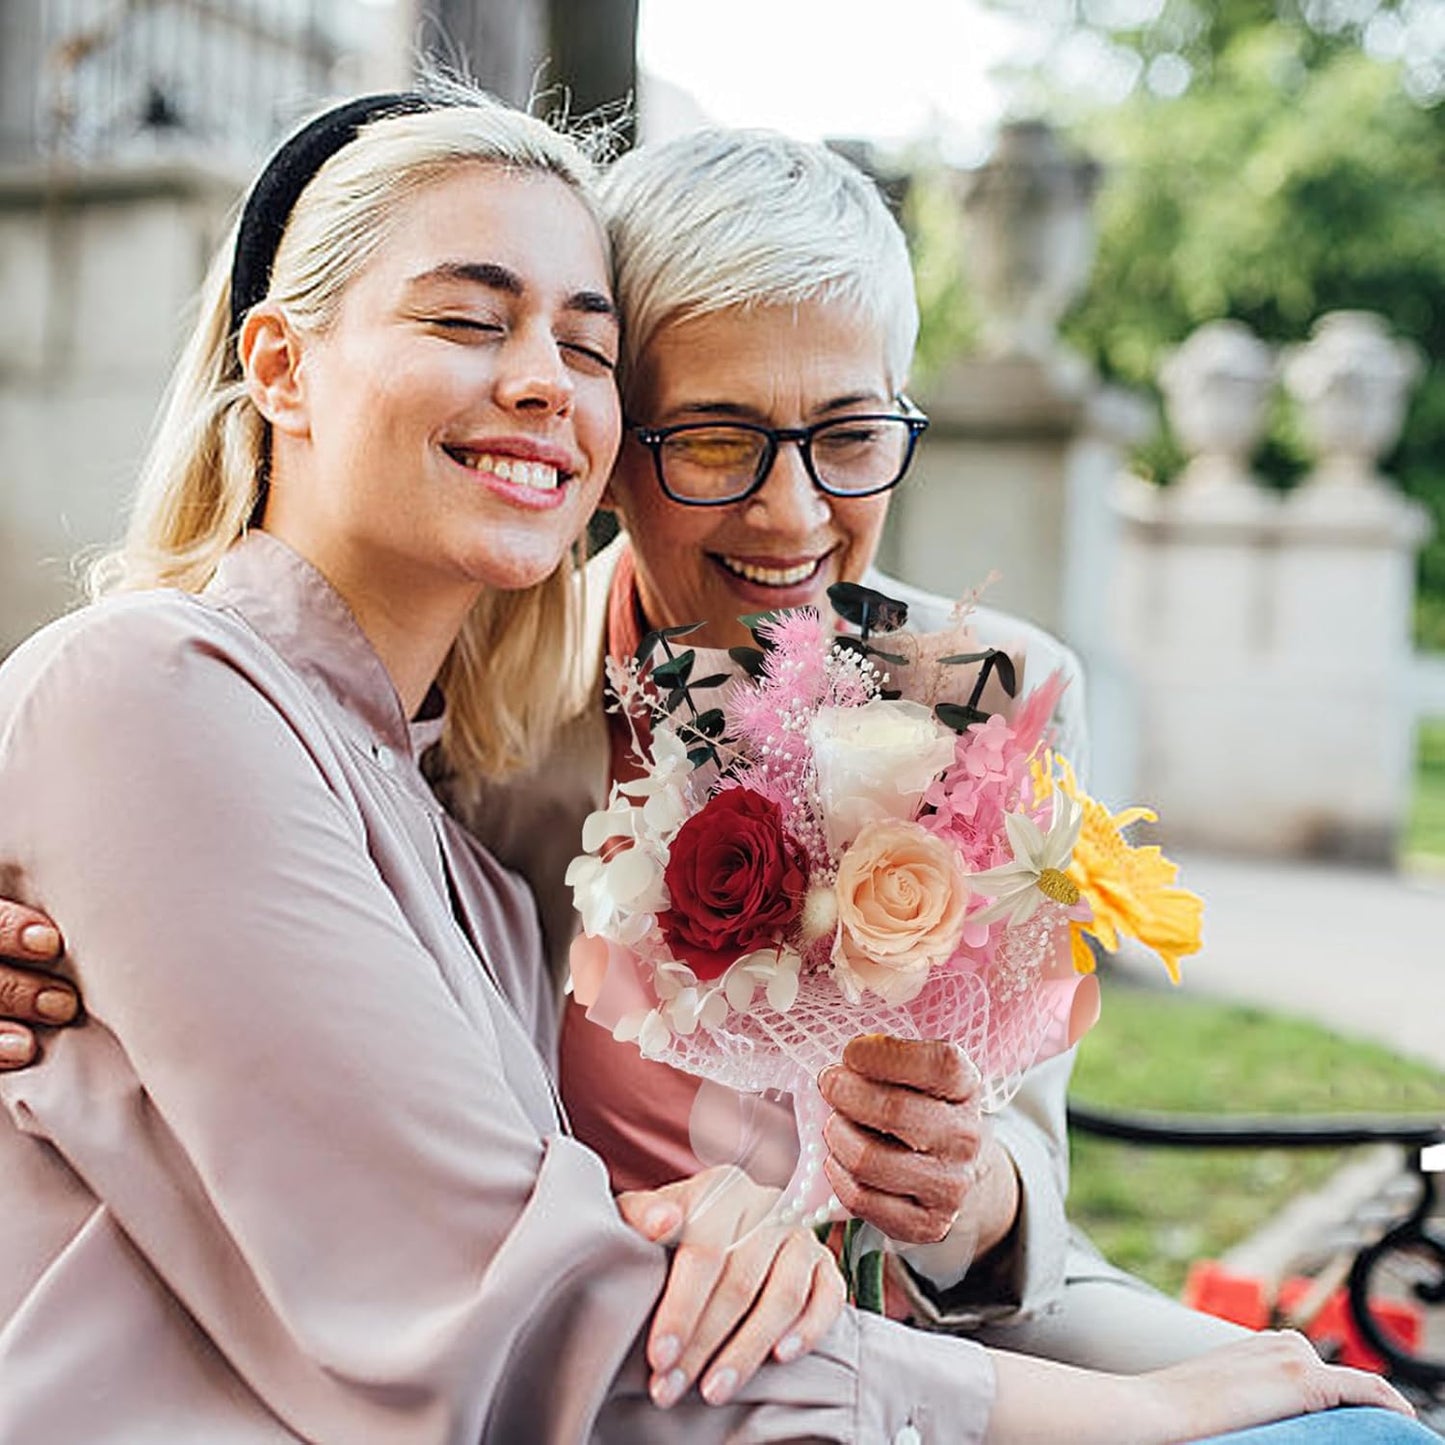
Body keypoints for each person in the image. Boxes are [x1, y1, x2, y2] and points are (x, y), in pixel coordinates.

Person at [0, 92, 1431, 1443]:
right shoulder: (482, 709)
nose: (793, 513)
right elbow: (341, 1091)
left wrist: (963, 1184)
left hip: (949, 1318)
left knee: (1357, 1423)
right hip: (657, 1339)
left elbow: (1022, 1189)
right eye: (715, 441)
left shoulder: (988, 690)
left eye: (850, 436)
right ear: (620, 450)